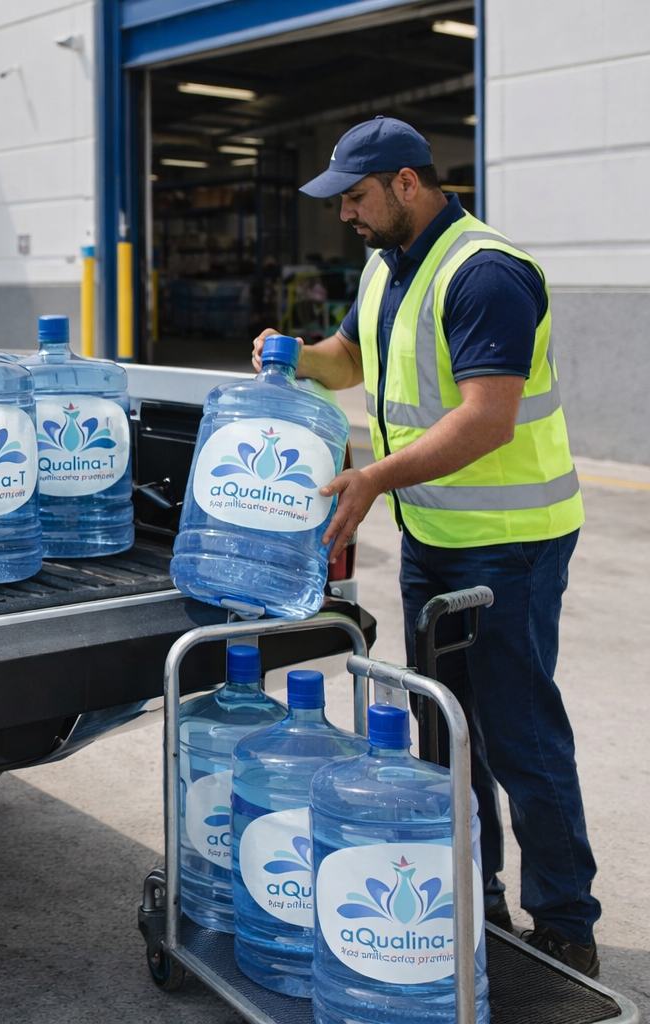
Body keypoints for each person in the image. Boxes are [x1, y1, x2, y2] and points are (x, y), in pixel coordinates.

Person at [253, 117, 599, 977]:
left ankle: (564, 920)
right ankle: (473, 892)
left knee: (518, 735)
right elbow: (349, 358)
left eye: (358, 198)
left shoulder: (485, 275)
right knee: (442, 731)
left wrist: (372, 477)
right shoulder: (388, 265)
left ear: (408, 183)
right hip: (436, 536)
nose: (347, 217)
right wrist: (294, 357)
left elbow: (488, 416)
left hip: (509, 546)